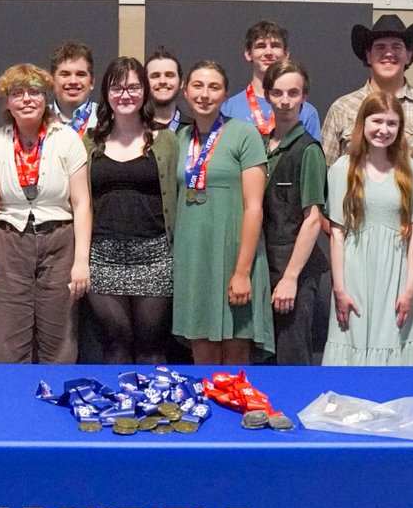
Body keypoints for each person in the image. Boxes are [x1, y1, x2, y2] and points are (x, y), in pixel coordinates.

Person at [0, 63, 91, 364]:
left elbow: (81, 204)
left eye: (35, 92)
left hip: (60, 244)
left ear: (46, 97)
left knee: (60, 336)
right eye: (17, 93)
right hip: (9, 244)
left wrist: (81, 261)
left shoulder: (66, 139)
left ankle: (55, 392)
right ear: (7, 101)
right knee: (9, 338)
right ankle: (12, 394)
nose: (26, 99)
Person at [172, 60, 274, 364]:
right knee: (201, 350)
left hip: (233, 256)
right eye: (198, 86)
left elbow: (254, 207)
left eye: (214, 87)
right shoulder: (179, 139)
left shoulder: (244, 134)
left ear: (225, 94)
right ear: (185, 91)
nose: (205, 94)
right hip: (194, 259)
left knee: (235, 352)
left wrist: (242, 272)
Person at [83, 56, 180, 364]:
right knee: (116, 343)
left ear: (145, 92)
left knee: (152, 346)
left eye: (134, 87)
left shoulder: (167, 141)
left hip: (154, 255)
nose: (125, 95)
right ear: (106, 93)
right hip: (102, 256)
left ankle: (154, 398)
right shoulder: (88, 142)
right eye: (117, 88)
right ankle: (119, 398)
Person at [322, 92, 413, 366]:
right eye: (377, 121)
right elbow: (337, 234)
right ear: (363, 123)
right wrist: (340, 288)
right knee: (352, 342)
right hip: (355, 273)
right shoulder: (343, 169)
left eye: (392, 123)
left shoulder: (410, 170)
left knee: (393, 341)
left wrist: (409, 288)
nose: (384, 130)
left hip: (396, 274)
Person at [259, 59, 327, 365]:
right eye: (277, 93)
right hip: (266, 267)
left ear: (304, 97)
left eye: (293, 93)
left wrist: (290, 278)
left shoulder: (309, 150)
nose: (285, 101)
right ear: (267, 95)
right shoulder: (261, 145)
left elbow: (312, 220)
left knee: (292, 357)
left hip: (294, 272)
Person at [320, 14, 413, 167]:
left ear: (409, 55)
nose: (388, 53)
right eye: (380, 47)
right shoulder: (342, 108)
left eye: (396, 47)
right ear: (368, 56)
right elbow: (325, 169)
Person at [222, 20, 321, 142]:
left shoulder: (306, 111)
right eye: (261, 46)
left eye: (275, 46)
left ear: (286, 53)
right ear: (248, 54)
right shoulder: (228, 108)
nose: (268, 52)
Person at [49, 41, 98, 134]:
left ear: (92, 82)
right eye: (65, 74)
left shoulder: (107, 120)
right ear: (52, 81)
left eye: (80, 74)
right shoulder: (38, 119)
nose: (73, 81)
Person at [145, 47, 190, 132]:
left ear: (181, 83)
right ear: (145, 83)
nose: (162, 81)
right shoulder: (134, 128)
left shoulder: (193, 129)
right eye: (155, 76)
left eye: (169, 75)